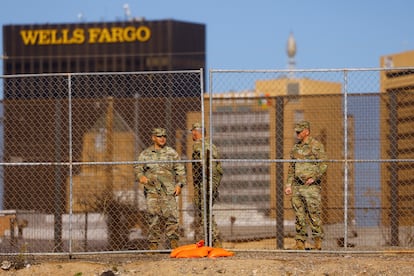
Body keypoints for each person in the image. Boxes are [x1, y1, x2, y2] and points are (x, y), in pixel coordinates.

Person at [134, 127, 186, 250]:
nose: (162, 138)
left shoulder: (172, 153)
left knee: (172, 217)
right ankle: (153, 245)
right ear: (153, 138)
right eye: (159, 136)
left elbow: (180, 170)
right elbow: (138, 168)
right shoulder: (145, 154)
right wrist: (141, 176)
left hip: (169, 191)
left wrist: (179, 185)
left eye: (164, 136)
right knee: (153, 217)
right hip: (152, 191)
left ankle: (173, 245)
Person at [285, 121, 327, 250]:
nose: (297, 133)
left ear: (307, 131)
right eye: (296, 131)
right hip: (297, 186)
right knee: (299, 215)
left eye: (299, 131)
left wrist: (314, 178)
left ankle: (317, 243)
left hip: (310, 187)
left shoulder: (316, 146)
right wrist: (288, 184)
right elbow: (292, 167)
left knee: (313, 213)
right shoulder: (295, 148)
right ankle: (300, 243)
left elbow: (323, 164)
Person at [191, 122, 223, 247]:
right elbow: (218, 169)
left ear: (196, 132)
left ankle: (214, 240)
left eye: (193, 131)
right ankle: (211, 240)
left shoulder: (199, 146)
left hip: (204, 183)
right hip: (211, 183)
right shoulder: (212, 145)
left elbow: (203, 164)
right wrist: (214, 184)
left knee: (205, 212)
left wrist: (205, 182)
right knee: (206, 211)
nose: (192, 134)